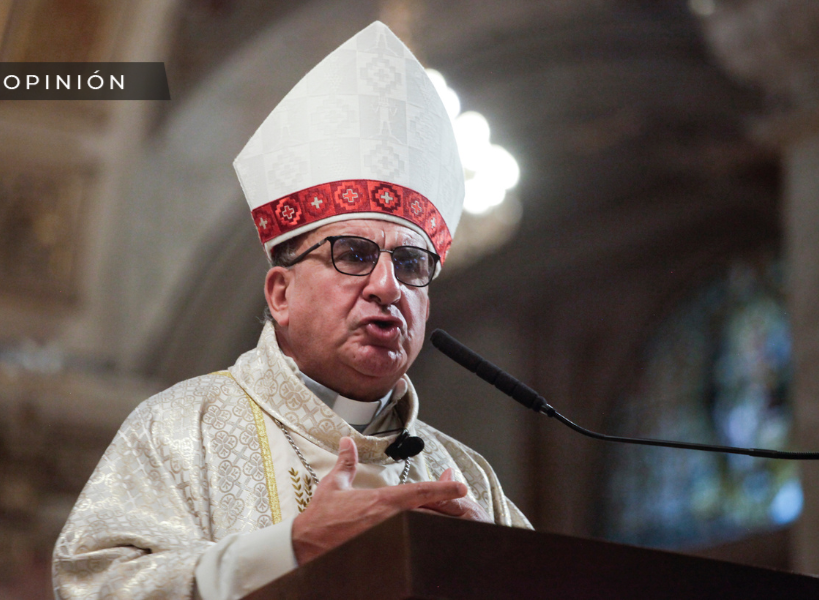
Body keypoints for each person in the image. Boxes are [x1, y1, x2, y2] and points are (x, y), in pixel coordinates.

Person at [53, 21, 531, 600]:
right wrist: (290, 549)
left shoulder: (467, 477)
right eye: (353, 254)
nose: (388, 285)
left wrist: (499, 572)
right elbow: (92, 586)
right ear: (280, 293)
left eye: (410, 264)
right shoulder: (182, 430)